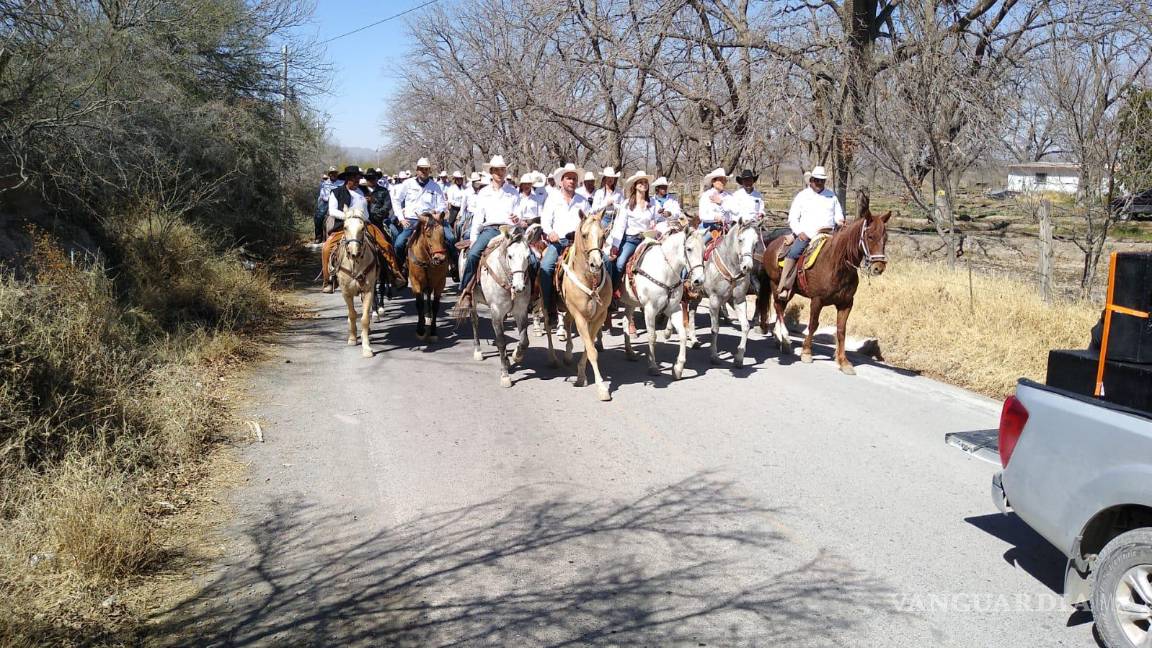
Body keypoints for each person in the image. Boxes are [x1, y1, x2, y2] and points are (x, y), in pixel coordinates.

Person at [320, 165, 394, 293]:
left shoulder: (364, 191)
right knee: (326, 248)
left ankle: (394, 273)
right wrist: (348, 217)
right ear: (347, 179)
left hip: (364, 224)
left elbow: (367, 210)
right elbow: (332, 210)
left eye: (358, 179)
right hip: (344, 225)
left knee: (385, 244)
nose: (357, 181)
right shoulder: (336, 192)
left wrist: (365, 215)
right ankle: (328, 280)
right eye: (355, 179)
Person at [458, 156, 521, 303]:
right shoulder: (483, 192)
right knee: (473, 254)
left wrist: (517, 219)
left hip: (510, 231)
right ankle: (466, 290)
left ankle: (531, 295)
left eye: (502, 170)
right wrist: (474, 238)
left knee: (529, 257)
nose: (500, 173)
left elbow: (519, 213)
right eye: (496, 170)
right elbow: (478, 218)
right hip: (490, 230)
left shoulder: (513, 191)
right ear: (491, 172)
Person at [780, 165, 844, 299]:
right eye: (817, 180)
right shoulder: (802, 196)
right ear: (811, 180)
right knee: (794, 252)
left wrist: (840, 220)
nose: (819, 183)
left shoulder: (831, 196)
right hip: (807, 235)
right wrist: (799, 232)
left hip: (828, 234)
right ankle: (785, 286)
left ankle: (841, 286)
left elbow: (838, 214)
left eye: (822, 181)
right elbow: (792, 218)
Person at [539, 163, 588, 323]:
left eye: (574, 179)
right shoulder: (552, 199)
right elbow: (545, 220)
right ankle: (549, 307)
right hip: (558, 241)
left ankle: (604, 303)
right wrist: (550, 232)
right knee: (546, 267)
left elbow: (588, 221)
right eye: (568, 178)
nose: (571, 181)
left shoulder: (583, 201)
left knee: (601, 263)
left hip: (577, 243)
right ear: (561, 181)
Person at [610, 171, 662, 295]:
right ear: (635, 185)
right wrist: (615, 245)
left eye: (645, 182)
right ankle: (613, 293)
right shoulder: (627, 204)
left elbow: (660, 217)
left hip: (648, 239)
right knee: (620, 263)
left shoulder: (653, 203)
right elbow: (620, 225)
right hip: (631, 239)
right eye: (641, 182)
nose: (644, 184)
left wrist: (662, 220)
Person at [394, 158, 454, 264]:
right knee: (399, 243)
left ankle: (453, 264)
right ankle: (401, 268)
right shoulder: (408, 184)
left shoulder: (435, 186)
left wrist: (438, 213)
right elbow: (396, 200)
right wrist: (401, 219)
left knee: (450, 238)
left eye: (426, 169)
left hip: (431, 220)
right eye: (421, 169)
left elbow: (442, 204)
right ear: (417, 170)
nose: (424, 171)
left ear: (429, 170)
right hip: (412, 220)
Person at [697, 167, 734, 236]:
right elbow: (702, 215)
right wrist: (715, 217)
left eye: (724, 180)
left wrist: (722, 202)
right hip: (709, 228)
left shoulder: (730, 196)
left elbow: (734, 211)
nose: (723, 182)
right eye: (720, 180)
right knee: (700, 243)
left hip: (727, 228)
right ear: (713, 182)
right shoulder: (706, 196)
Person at [314, 166, 341, 243]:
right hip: (327, 202)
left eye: (335, 173)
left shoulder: (341, 183)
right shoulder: (324, 184)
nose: (334, 175)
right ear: (329, 174)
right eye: (332, 173)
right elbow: (322, 195)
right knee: (319, 216)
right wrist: (329, 199)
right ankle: (318, 236)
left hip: (339, 202)